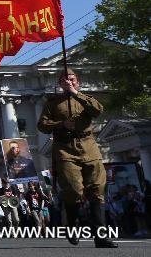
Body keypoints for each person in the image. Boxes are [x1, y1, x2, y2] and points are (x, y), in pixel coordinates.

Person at [38, 67, 117, 248]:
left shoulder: (86, 99)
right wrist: (61, 123)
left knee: (97, 190)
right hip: (65, 149)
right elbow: (42, 125)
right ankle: (72, 226)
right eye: (65, 80)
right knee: (73, 190)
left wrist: (75, 93)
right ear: (59, 83)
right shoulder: (52, 103)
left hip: (89, 147)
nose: (69, 82)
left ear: (77, 82)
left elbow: (97, 110)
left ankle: (101, 237)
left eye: (72, 79)